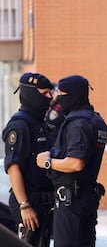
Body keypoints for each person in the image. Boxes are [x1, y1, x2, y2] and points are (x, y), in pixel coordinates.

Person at [36, 75, 107, 247]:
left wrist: (48, 162)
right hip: (86, 197)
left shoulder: (78, 123)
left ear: (73, 96)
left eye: (61, 93)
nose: (58, 97)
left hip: (71, 202)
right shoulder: (96, 120)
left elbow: (76, 163)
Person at [2, 72, 55, 247]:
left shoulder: (41, 123)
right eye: (45, 93)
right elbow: (13, 167)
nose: (49, 97)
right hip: (29, 204)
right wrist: (24, 205)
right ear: (32, 94)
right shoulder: (20, 125)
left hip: (45, 204)